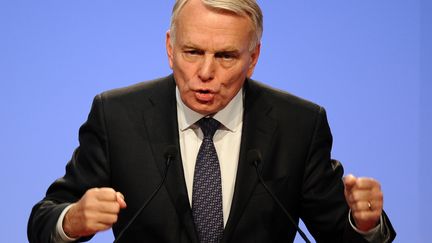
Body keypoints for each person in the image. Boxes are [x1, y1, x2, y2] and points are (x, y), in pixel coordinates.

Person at [28, 0, 396, 242]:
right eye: (192, 52)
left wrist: (364, 225)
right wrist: (73, 220)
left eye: (226, 56)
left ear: (253, 59)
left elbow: (340, 233)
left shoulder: (298, 125)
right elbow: (43, 221)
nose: (205, 72)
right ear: (170, 48)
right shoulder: (117, 116)